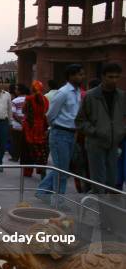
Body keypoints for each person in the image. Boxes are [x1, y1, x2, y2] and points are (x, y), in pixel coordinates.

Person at [36, 64, 84, 199]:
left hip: (71, 133)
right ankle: (58, 200)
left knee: (63, 168)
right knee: (61, 170)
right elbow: (50, 114)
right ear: (71, 76)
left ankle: (42, 190)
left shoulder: (78, 92)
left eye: (82, 74)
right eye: (79, 74)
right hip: (60, 133)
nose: (82, 77)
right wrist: (56, 127)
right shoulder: (63, 93)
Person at [75, 63, 125, 193]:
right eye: (110, 77)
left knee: (112, 180)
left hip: (114, 142)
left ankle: (107, 209)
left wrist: (121, 131)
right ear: (103, 76)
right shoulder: (91, 96)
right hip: (95, 143)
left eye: (116, 77)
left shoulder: (122, 96)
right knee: (98, 180)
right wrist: (94, 131)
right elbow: (80, 121)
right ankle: (99, 209)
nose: (114, 80)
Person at [21, 80, 50, 178]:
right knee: (41, 149)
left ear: (32, 88)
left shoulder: (29, 98)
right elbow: (46, 112)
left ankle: (28, 172)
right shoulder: (45, 99)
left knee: (27, 150)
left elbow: (24, 111)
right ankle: (41, 169)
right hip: (41, 127)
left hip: (30, 127)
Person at [9, 84, 29, 162]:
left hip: (17, 126)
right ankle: (24, 158)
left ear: (20, 91)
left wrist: (20, 122)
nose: (15, 91)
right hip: (27, 125)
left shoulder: (14, 101)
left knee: (15, 142)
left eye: (17, 89)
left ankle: (15, 157)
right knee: (25, 143)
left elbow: (13, 114)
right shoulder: (29, 99)